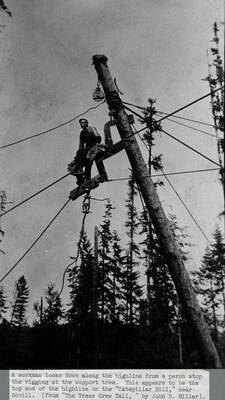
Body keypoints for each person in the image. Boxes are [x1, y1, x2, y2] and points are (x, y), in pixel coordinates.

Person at [69, 119, 108, 185]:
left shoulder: (91, 128)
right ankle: (82, 177)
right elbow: (81, 145)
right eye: (80, 123)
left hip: (94, 145)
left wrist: (96, 145)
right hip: (87, 148)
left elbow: (98, 137)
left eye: (83, 122)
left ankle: (99, 175)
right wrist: (79, 153)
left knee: (92, 159)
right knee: (81, 158)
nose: (81, 124)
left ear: (87, 123)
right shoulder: (82, 133)